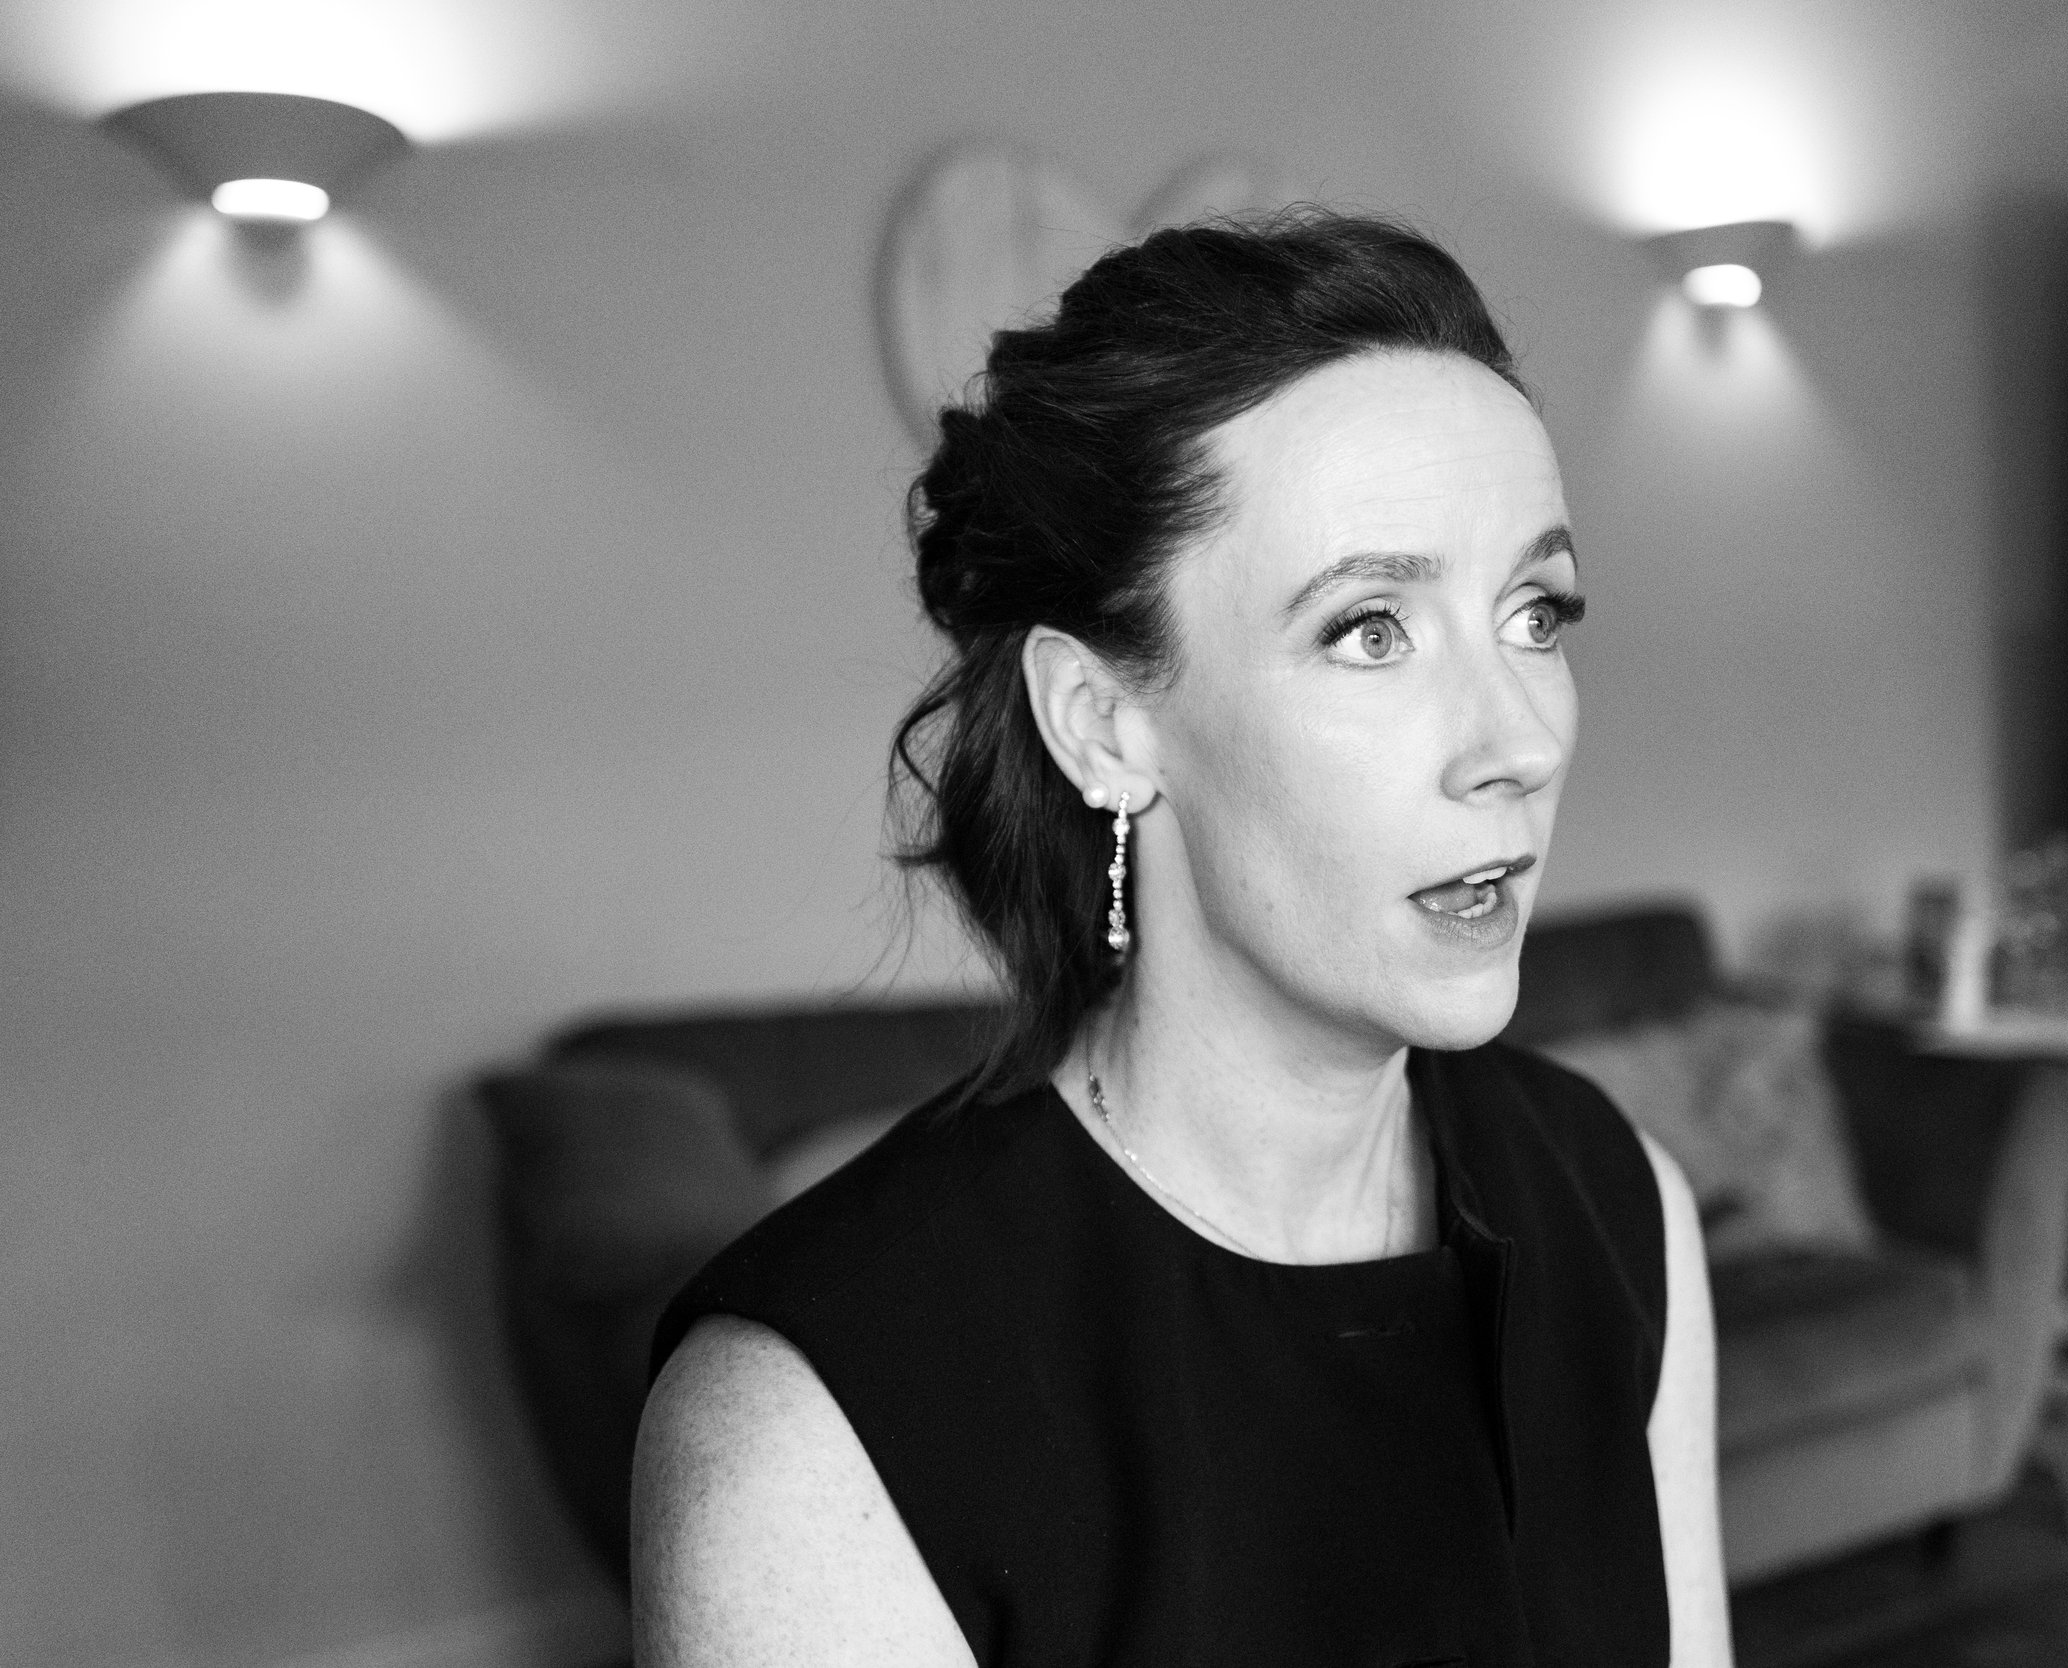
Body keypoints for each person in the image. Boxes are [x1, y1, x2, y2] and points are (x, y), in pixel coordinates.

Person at [631, 210, 1730, 1667]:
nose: (1517, 741)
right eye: (1370, 630)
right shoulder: (810, 1423)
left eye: (1535, 611)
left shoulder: (1616, 1205)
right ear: (1103, 724)